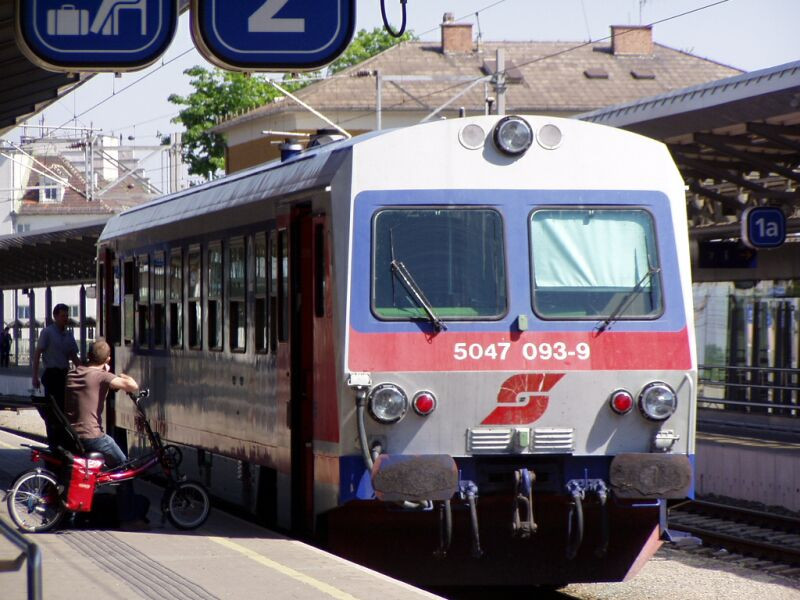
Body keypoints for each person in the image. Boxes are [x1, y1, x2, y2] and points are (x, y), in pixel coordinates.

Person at [64, 337, 148, 531]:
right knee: (125, 469)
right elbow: (132, 387)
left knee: (109, 472)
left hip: (73, 436)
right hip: (94, 437)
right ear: (108, 359)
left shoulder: (73, 373)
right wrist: (120, 376)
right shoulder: (101, 376)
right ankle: (129, 518)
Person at [32, 303, 80, 446]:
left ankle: (63, 440)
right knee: (53, 410)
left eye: (67, 315)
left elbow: (73, 356)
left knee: (65, 409)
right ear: (55, 316)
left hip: (64, 375)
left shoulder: (69, 335)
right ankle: (53, 441)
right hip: (52, 375)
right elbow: (37, 354)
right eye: (63, 315)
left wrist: (85, 371)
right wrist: (35, 376)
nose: (66, 318)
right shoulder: (47, 332)